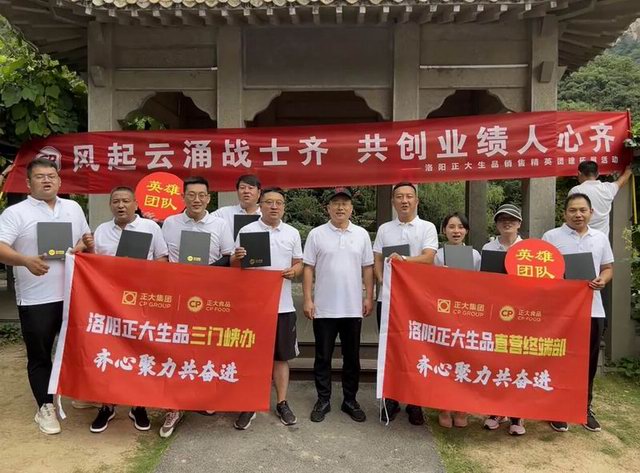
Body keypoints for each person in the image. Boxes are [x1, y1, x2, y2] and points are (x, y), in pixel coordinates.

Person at [0, 157, 91, 435]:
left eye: (51, 176)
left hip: (73, 294)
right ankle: (45, 406)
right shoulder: (15, 213)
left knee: (77, 348)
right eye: (40, 177)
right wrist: (25, 260)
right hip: (36, 298)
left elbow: (84, 239)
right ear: (28, 183)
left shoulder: (73, 208)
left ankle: (79, 393)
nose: (47, 180)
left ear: (60, 181)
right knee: (40, 354)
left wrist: (82, 246)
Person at [83, 186, 168, 433]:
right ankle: (107, 405)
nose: (121, 205)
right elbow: (94, 263)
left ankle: (138, 404)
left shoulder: (151, 227)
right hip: (109, 301)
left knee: (139, 350)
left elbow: (163, 259)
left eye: (126, 201)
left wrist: (142, 270)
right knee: (109, 350)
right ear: (110, 205)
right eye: (116, 201)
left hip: (142, 300)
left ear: (136, 204)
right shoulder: (101, 230)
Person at [159, 176, 234, 437]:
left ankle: (202, 396)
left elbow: (228, 257)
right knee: (174, 347)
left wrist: (204, 274)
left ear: (209, 198)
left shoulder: (220, 224)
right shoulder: (170, 223)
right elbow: (162, 257)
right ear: (183, 197)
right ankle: (173, 407)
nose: (197, 200)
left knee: (205, 346)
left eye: (202, 195)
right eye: (191, 195)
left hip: (209, 295)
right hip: (177, 296)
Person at [232, 188, 303, 430]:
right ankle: (249, 403)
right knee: (252, 357)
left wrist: (295, 271)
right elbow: (234, 264)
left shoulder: (292, 233)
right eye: (269, 202)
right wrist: (237, 257)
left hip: (283, 306)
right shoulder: (247, 231)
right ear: (260, 205)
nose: (274, 206)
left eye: (279, 203)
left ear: (283, 207)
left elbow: (299, 263)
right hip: (253, 307)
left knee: (281, 357)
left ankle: (282, 402)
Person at [542, 193, 613, 433]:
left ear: (591, 212)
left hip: (593, 309)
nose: (578, 215)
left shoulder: (600, 238)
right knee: (559, 359)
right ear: (564, 213)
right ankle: (557, 409)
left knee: (588, 362)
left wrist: (603, 280)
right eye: (572, 210)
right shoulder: (551, 237)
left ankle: (584, 408)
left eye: (582, 210)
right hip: (561, 313)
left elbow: (607, 268)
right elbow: (543, 271)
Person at [303, 188, 374, 423]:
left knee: (351, 357)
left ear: (351, 208)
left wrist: (369, 296)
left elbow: (367, 267)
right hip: (324, 308)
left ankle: (350, 400)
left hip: (352, 307)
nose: (340, 207)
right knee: (323, 356)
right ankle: (323, 399)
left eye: (345, 203)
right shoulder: (316, 234)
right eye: (335, 203)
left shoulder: (361, 234)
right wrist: (308, 299)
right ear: (328, 208)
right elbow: (308, 268)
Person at [372, 182, 438, 425]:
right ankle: (390, 399)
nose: (404, 201)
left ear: (416, 201)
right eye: (399, 197)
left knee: (416, 349)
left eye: (409, 196)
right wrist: (382, 280)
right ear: (393, 202)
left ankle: (414, 401)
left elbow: (429, 257)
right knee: (389, 349)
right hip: (388, 299)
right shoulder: (385, 229)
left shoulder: (427, 227)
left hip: (416, 301)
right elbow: (377, 259)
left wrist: (404, 260)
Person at [433, 212, 481, 429]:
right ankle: (444, 407)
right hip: (443, 314)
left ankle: (462, 408)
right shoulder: (437, 256)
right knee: (444, 359)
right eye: (451, 227)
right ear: (444, 230)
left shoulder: (475, 256)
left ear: (466, 231)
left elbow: (481, 284)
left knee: (465, 360)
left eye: (460, 227)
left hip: (468, 314)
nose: (456, 231)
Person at [481, 203, 525, 435]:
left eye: (512, 219)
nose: (507, 222)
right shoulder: (488, 247)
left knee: (517, 363)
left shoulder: (529, 249)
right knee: (496, 362)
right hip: (495, 314)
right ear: (497, 224)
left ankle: (517, 416)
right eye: (502, 219)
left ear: (519, 223)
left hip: (521, 316)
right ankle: (495, 411)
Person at [568, 161, 632, 237]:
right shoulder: (608, 189)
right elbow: (622, 181)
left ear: (579, 173)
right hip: (602, 239)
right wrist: (629, 168)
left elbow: (570, 216)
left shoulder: (575, 191)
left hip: (581, 239)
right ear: (598, 174)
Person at [212, 174, 261, 241]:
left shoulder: (266, 214)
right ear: (237, 192)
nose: (246, 191)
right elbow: (205, 222)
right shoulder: (223, 213)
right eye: (242, 188)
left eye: (250, 188)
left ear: (259, 192)